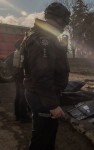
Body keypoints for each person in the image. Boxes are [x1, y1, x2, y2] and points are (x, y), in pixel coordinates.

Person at [21, 2, 70, 150]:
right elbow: (42, 75)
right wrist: (53, 105)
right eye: (65, 20)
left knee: (46, 134)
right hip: (42, 97)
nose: (66, 24)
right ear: (60, 19)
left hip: (39, 94)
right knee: (42, 139)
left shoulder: (40, 34)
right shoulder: (44, 39)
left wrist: (61, 49)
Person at [13, 39, 31, 123]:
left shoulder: (15, 52)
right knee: (23, 97)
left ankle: (17, 115)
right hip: (22, 76)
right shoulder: (23, 53)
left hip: (17, 76)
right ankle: (24, 117)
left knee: (18, 96)